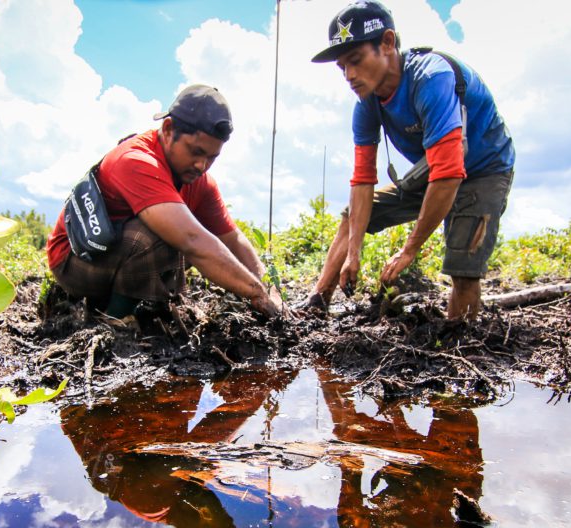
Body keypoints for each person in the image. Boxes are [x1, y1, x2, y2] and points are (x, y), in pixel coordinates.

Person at [303, 1, 515, 320]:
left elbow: (449, 174)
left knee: (463, 268)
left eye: (356, 61)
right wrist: (354, 252)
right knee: (355, 215)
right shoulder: (367, 105)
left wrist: (409, 250)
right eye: (342, 66)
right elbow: (363, 180)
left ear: (387, 43)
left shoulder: (432, 78)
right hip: (435, 167)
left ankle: (462, 337)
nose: (349, 75)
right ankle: (316, 305)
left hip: (484, 168)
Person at [46, 84, 285, 319]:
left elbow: (232, 239)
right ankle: (115, 320)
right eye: (196, 151)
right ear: (168, 129)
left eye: (212, 157)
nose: (201, 166)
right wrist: (255, 293)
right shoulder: (136, 161)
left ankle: (122, 302)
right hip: (74, 261)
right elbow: (191, 240)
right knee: (165, 236)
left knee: (190, 240)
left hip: (111, 251)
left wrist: (271, 290)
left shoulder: (199, 181)